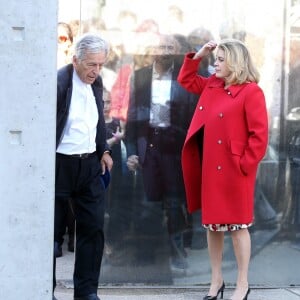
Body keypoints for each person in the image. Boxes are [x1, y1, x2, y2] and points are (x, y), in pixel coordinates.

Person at [177, 39, 268, 300]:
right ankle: (216, 280)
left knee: (238, 227)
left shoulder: (251, 92)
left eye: (219, 59)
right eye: (214, 59)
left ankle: (242, 283)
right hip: (211, 167)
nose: (214, 64)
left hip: (236, 169)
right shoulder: (212, 85)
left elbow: (259, 136)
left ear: (235, 62)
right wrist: (200, 54)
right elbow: (186, 79)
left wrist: (244, 165)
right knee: (212, 226)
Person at [125, 34, 199, 271]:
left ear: (176, 51)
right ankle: (147, 253)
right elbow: (132, 119)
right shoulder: (141, 76)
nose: (166, 51)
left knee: (175, 203)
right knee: (147, 203)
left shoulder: (183, 78)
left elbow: (191, 115)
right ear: (152, 50)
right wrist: (132, 151)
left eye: (170, 47)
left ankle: (178, 254)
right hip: (149, 145)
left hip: (175, 145)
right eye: (161, 47)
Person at [53, 33, 113, 300]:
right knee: (51, 235)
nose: (96, 70)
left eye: (100, 64)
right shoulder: (58, 82)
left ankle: (87, 292)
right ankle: (46, 290)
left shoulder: (96, 83)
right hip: (58, 165)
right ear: (75, 59)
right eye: (91, 64)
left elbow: (97, 119)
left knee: (93, 228)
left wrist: (104, 150)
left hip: (88, 164)